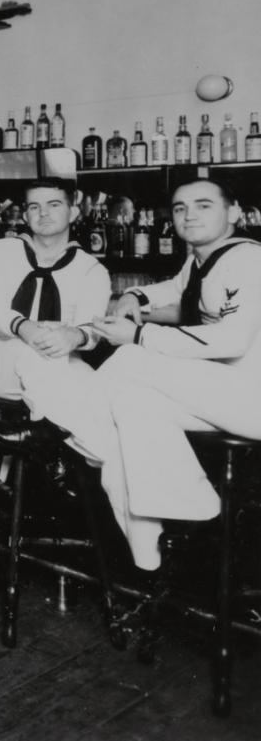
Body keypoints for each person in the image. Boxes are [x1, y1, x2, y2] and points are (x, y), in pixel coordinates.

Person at [0, 178, 141, 563]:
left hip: (61, 367)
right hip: (2, 366)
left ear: (73, 211)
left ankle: (136, 539)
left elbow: (94, 330)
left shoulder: (90, 269)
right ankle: (62, 453)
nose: (43, 214)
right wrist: (26, 328)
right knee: (35, 358)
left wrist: (74, 335)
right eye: (34, 207)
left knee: (108, 401)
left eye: (53, 205)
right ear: (24, 213)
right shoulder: (1, 251)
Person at [94, 178, 261, 570]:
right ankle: (165, 538)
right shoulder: (204, 258)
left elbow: (232, 340)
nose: (189, 215)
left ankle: (70, 442)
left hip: (252, 396)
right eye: (181, 208)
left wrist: (139, 334)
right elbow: (176, 287)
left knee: (129, 361)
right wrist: (135, 295)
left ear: (234, 212)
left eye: (204, 205)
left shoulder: (248, 260)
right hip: (223, 394)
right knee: (131, 406)